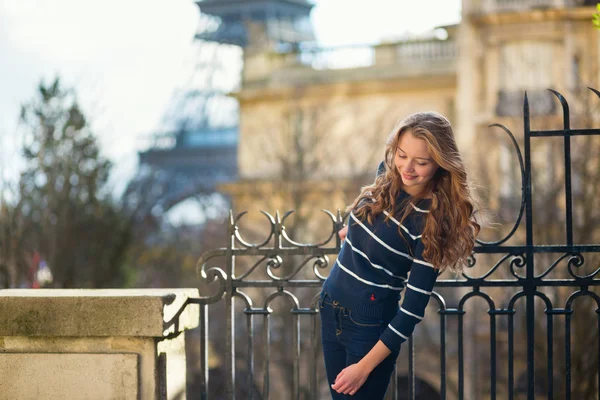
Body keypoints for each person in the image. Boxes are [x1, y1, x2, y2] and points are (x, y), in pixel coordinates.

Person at [319, 111, 480, 399]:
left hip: (367, 330)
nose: (407, 167)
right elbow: (381, 223)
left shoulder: (432, 222)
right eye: (402, 155)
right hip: (330, 307)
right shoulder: (387, 174)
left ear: (441, 164)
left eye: (421, 162)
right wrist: (354, 233)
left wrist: (364, 368)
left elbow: (411, 311)